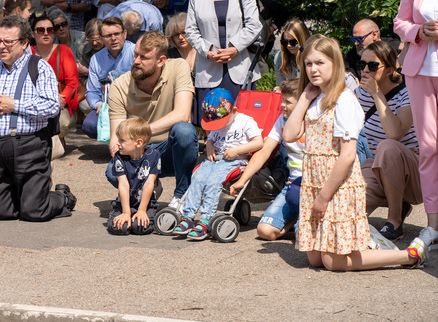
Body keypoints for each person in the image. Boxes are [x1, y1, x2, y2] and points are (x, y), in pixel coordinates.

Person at [283, 34, 426, 270]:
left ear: (335, 63)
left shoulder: (344, 100)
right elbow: (289, 135)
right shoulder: (315, 96)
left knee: (333, 261)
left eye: (320, 63)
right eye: (308, 63)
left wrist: (323, 197)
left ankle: (408, 255)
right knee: (315, 258)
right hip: (316, 181)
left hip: (337, 186)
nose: (313, 69)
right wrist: (304, 98)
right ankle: (369, 241)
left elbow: (348, 155)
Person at [0, 15, 76, 221]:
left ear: (25, 42)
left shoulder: (39, 67)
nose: (1, 46)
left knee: (33, 212)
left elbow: (52, 106)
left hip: (30, 146)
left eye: (9, 41)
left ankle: (61, 198)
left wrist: (14, 105)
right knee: (1, 213)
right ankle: (25, 195)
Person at [394, 0, 438, 254]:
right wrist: (418, 30)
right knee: (428, 148)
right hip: (417, 70)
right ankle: (433, 226)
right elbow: (399, 22)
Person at [107, 31, 196, 208]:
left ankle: (181, 196)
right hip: (138, 150)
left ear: (161, 61)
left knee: (184, 131)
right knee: (112, 171)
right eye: (135, 55)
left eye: (144, 58)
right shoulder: (119, 85)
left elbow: (182, 114)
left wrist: (141, 132)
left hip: (170, 148)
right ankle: (150, 185)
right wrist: (118, 146)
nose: (136, 61)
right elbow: (115, 138)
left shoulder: (178, 67)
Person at [170, 88, 263, 240]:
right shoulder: (215, 121)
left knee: (213, 182)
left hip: (235, 160)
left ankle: (205, 220)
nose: (217, 125)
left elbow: (259, 142)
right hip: (215, 159)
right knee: (197, 178)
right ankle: (188, 216)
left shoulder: (246, 121)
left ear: (233, 109)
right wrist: (210, 146)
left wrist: (237, 150)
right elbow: (211, 138)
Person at [355, 41, 419, 241]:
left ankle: (394, 220)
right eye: (362, 64)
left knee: (388, 146)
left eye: (372, 66)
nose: (365, 70)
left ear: (390, 69)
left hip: (416, 174)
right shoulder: (359, 95)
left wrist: (376, 94)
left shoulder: (406, 94)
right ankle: (399, 204)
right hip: (380, 169)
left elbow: (394, 133)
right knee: (348, 211)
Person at [186, 0, 262, 111]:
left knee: (243, 122)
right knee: (212, 124)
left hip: (239, 67)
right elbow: (191, 31)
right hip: (209, 68)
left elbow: (254, 24)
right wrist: (208, 51)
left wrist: (234, 48)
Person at [230, 79, 302, 241]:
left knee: (306, 239)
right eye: (282, 99)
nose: (282, 104)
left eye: (287, 101)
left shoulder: (314, 121)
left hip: (314, 186)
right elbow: (264, 151)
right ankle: (296, 220)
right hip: (292, 186)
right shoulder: (282, 120)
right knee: (264, 231)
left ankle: (302, 226)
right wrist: (243, 180)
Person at [31, 15, 80, 160]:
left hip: (61, 102)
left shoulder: (64, 51)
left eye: (50, 30)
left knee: (62, 123)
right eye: (41, 30)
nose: (46, 33)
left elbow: (72, 82)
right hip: (34, 101)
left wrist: (60, 100)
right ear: (33, 34)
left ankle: (57, 138)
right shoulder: (27, 53)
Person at [81, 17, 136, 138]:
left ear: (125, 34)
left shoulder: (136, 53)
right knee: (89, 125)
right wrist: (98, 104)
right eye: (108, 35)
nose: (113, 38)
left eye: (117, 34)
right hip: (109, 106)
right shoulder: (96, 59)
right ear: (101, 38)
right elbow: (91, 91)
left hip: (134, 105)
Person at [107, 117, 160, 236]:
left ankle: (144, 213)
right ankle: (117, 213)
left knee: (140, 228)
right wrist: (126, 212)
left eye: (122, 140)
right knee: (120, 228)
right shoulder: (119, 157)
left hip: (145, 203)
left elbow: (149, 183)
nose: (117, 144)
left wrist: (142, 210)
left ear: (139, 143)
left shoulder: (154, 155)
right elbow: (123, 184)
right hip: (126, 202)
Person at [274, 19, 310, 86]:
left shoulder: (312, 56)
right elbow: (280, 85)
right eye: (285, 42)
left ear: (302, 39)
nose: (288, 45)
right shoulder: (279, 58)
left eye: (293, 42)